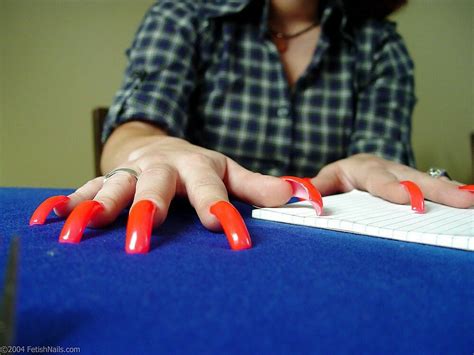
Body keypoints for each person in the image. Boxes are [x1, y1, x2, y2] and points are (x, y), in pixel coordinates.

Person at [48, 0, 473, 251]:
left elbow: (380, 161)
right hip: (190, 243)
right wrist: (149, 153)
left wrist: (371, 168)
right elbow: (135, 130)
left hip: (331, 261)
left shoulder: (380, 45)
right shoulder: (184, 15)